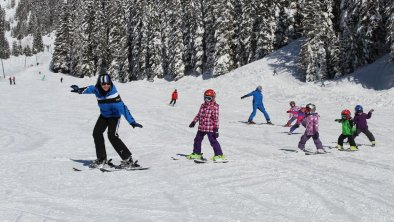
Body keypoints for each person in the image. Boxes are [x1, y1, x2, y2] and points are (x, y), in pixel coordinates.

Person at [70, 73, 143, 168]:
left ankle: (128, 159)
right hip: (104, 115)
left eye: (108, 83)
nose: (106, 86)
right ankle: (101, 159)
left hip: (114, 117)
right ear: (100, 84)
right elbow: (89, 89)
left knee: (112, 136)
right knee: (97, 133)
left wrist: (132, 121)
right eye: (103, 84)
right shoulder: (97, 89)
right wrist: (79, 90)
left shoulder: (114, 95)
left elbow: (123, 109)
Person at [187, 89, 226, 162]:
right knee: (197, 140)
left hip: (210, 128)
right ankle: (197, 153)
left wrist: (216, 129)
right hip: (201, 127)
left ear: (213, 98)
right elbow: (199, 114)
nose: (207, 100)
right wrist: (194, 121)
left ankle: (219, 155)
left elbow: (216, 119)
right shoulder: (203, 105)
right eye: (205, 97)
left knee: (213, 141)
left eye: (209, 98)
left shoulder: (214, 107)